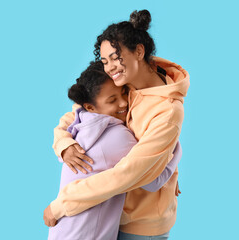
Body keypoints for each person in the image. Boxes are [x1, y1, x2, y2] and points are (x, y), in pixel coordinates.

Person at [44, 10, 190, 239]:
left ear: (139, 51)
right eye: (104, 61)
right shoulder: (125, 84)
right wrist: (63, 142)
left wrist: (63, 204)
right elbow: (79, 111)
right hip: (111, 212)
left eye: (115, 57)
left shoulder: (167, 111)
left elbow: (130, 173)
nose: (110, 67)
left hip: (142, 224)